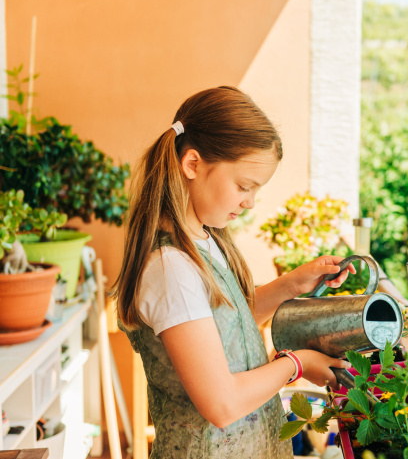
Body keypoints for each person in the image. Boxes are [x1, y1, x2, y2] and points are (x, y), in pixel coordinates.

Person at [111, 86, 355, 458]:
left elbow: (222, 327)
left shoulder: (205, 240)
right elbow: (221, 404)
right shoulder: (170, 268)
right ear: (192, 164)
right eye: (244, 186)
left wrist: (290, 285)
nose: (250, 202)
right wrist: (297, 364)